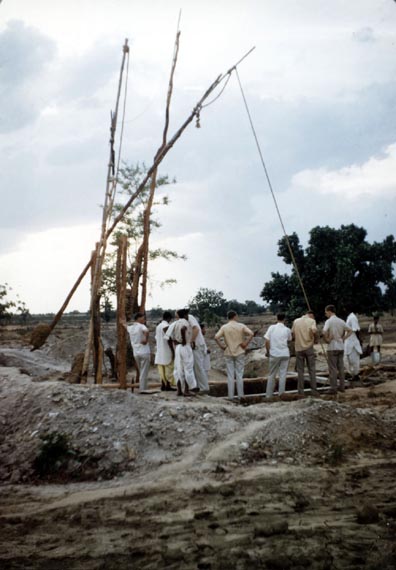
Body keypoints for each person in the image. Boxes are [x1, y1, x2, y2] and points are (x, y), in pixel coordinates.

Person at [215, 311, 254, 400]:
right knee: (239, 375)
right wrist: (245, 344)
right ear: (235, 316)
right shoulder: (241, 326)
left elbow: (216, 337)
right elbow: (251, 333)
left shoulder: (224, 327)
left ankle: (231, 397)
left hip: (228, 352)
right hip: (240, 352)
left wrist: (222, 346)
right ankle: (241, 396)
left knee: (230, 375)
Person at [165, 309, 198, 397]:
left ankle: (179, 390)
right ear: (185, 315)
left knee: (178, 369)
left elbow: (167, 333)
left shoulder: (175, 323)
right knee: (188, 368)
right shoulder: (185, 323)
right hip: (185, 346)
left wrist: (176, 340)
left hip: (178, 347)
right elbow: (183, 330)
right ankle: (186, 390)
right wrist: (184, 339)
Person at [323, 305, 352, 394]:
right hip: (340, 346)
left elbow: (324, 331)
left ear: (329, 311)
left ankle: (333, 388)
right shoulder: (341, 321)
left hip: (332, 346)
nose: (325, 314)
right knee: (341, 368)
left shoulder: (329, 321)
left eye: (326, 312)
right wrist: (343, 338)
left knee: (333, 368)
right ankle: (342, 387)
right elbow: (350, 330)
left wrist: (327, 339)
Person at [265, 314, 292, 398]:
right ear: (284, 319)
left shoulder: (272, 328)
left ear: (277, 318)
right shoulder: (287, 329)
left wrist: (268, 351)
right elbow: (290, 339)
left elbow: (267, 340)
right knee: (283, 374)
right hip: (285, 354)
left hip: (274, 353)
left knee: (272, 374)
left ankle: (269, 395)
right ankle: (281, 394)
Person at [292, 311, 319, 395]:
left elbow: (292, 334)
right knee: (312, 369)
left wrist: (296, 340)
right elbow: (314, 331)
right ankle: (314, 390)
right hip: (308, 347)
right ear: (311, 315)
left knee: (300, 371)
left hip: (299, 348)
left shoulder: (296, 321)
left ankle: (300, 392)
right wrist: (316, 339)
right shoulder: (311, 321)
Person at [185, 309, 209, 393]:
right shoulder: (188, 320)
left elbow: (196, 329)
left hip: (197, 345)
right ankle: (200, 386)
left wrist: (191, 341)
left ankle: (204, 387)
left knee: (199, 367)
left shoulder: (190, 318)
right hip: (197, 345)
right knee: (196, 367)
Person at [126, 312, 151, 392]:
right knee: (144, 371)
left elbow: (125, 326)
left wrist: (122, 322)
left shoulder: (131, 328)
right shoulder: (141, 326)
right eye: (143, 318)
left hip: (136, 353)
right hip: (144, 351)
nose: (144, 320)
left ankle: (143, 387)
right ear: (138, 318)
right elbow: (147, 331)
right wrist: (146, 340)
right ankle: (143, 388)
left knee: (141, 371)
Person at [155, 311, 176, 391]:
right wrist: (173, 351)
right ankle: (168, 385)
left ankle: (163, 385)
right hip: (166, 350)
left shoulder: (158, 326)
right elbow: (169, 340)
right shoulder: (167, 326)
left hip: (160, 350)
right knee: (169, 368)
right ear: (169, 318)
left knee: (162, 369)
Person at [344, 309, 362, 381]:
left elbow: (356, 330)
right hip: (348, 341)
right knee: (347, 359)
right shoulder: (349, 317)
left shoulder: (352, 317)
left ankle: (356, 375)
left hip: (353, 342)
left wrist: (359, 340)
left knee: (354, 359)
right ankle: (353, 374)